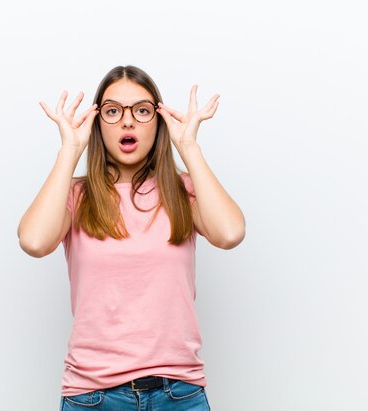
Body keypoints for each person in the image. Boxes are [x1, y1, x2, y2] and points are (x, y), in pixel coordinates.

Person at [17, 65, 245, 410]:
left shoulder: (183, 191)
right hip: (93, 396)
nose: (127, 122)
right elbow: (34, 241)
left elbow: (229, 233)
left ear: (158, 120)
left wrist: (188, 147)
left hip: (179, 393)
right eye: (112, 111)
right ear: (98, 124)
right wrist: (69, 150)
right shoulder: (77, 196)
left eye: (141, 110)